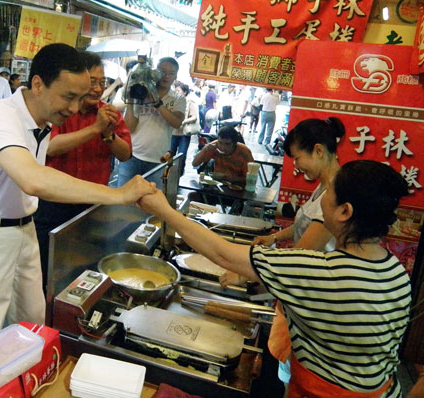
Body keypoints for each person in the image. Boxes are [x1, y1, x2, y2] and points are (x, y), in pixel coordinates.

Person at [0, 43, 155, 364]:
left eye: (79, 97)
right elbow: (33, 178)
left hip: (23, 229)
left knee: (32, 320)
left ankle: (28, 379)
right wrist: (118, 195)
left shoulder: (43, 123)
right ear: (38, 84)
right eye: (68, 97)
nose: (74, 108)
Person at [139, 159, 411, 398]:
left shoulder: (321, 271)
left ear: (344, 211)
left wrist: (165, 211)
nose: (322, 199)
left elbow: (222, 254)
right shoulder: (396, 273)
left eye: (329, 193)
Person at [222, 117, 346, 392]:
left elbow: (303, 253)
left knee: (292, 373)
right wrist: (275, 237)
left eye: (298, 158)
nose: (296, 165)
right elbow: (305, 225)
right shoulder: (323, 186)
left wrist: (247, 274)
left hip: (311, 295)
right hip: (299, 288)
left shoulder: (337, 193)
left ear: (318, 150)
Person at [34, 51, 132, 289]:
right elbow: (50, 147)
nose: (98, 89)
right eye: (92, 82)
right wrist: (95, 129)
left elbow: (125, 154)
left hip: (93, 204)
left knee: (86, 265)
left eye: (102, 82)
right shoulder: (59, 111)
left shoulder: (109, 113)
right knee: (47, 267)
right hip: (54, 202)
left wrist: (108, 134)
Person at [117, 57, 186, 186]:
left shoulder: (178, 99)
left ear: (175, 76)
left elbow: (177, 123)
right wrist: (131, 101)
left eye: (171, 73)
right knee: (123, 195)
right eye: (162, 71)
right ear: (155, 72)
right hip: (132, 155)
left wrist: (157, 103)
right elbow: (129, 127)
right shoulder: (140, 93)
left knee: (151, 197)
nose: (166, 76)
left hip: (158, 160)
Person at [169, 83, 200, 175]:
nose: (176, 92)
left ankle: (179, 174)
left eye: (178, 91)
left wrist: (184, 121)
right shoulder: (172, 101)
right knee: (170, 154)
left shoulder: (189, 102)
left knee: (182, 155)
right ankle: (169, 173)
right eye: (175, 91)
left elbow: (194, 117)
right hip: (173, 133)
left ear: (185, 92)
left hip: (184, 134)